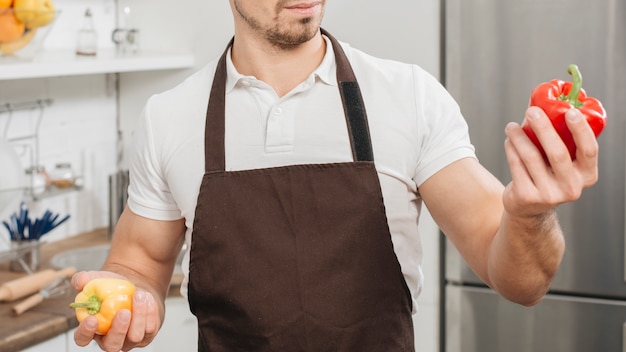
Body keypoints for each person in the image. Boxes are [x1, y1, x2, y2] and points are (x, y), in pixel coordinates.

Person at [72, 1, 600, 351]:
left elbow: (523, 282)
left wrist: (530, 216)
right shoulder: (170, 117)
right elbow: (140, 261)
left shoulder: (409, 96)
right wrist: (126, 294)